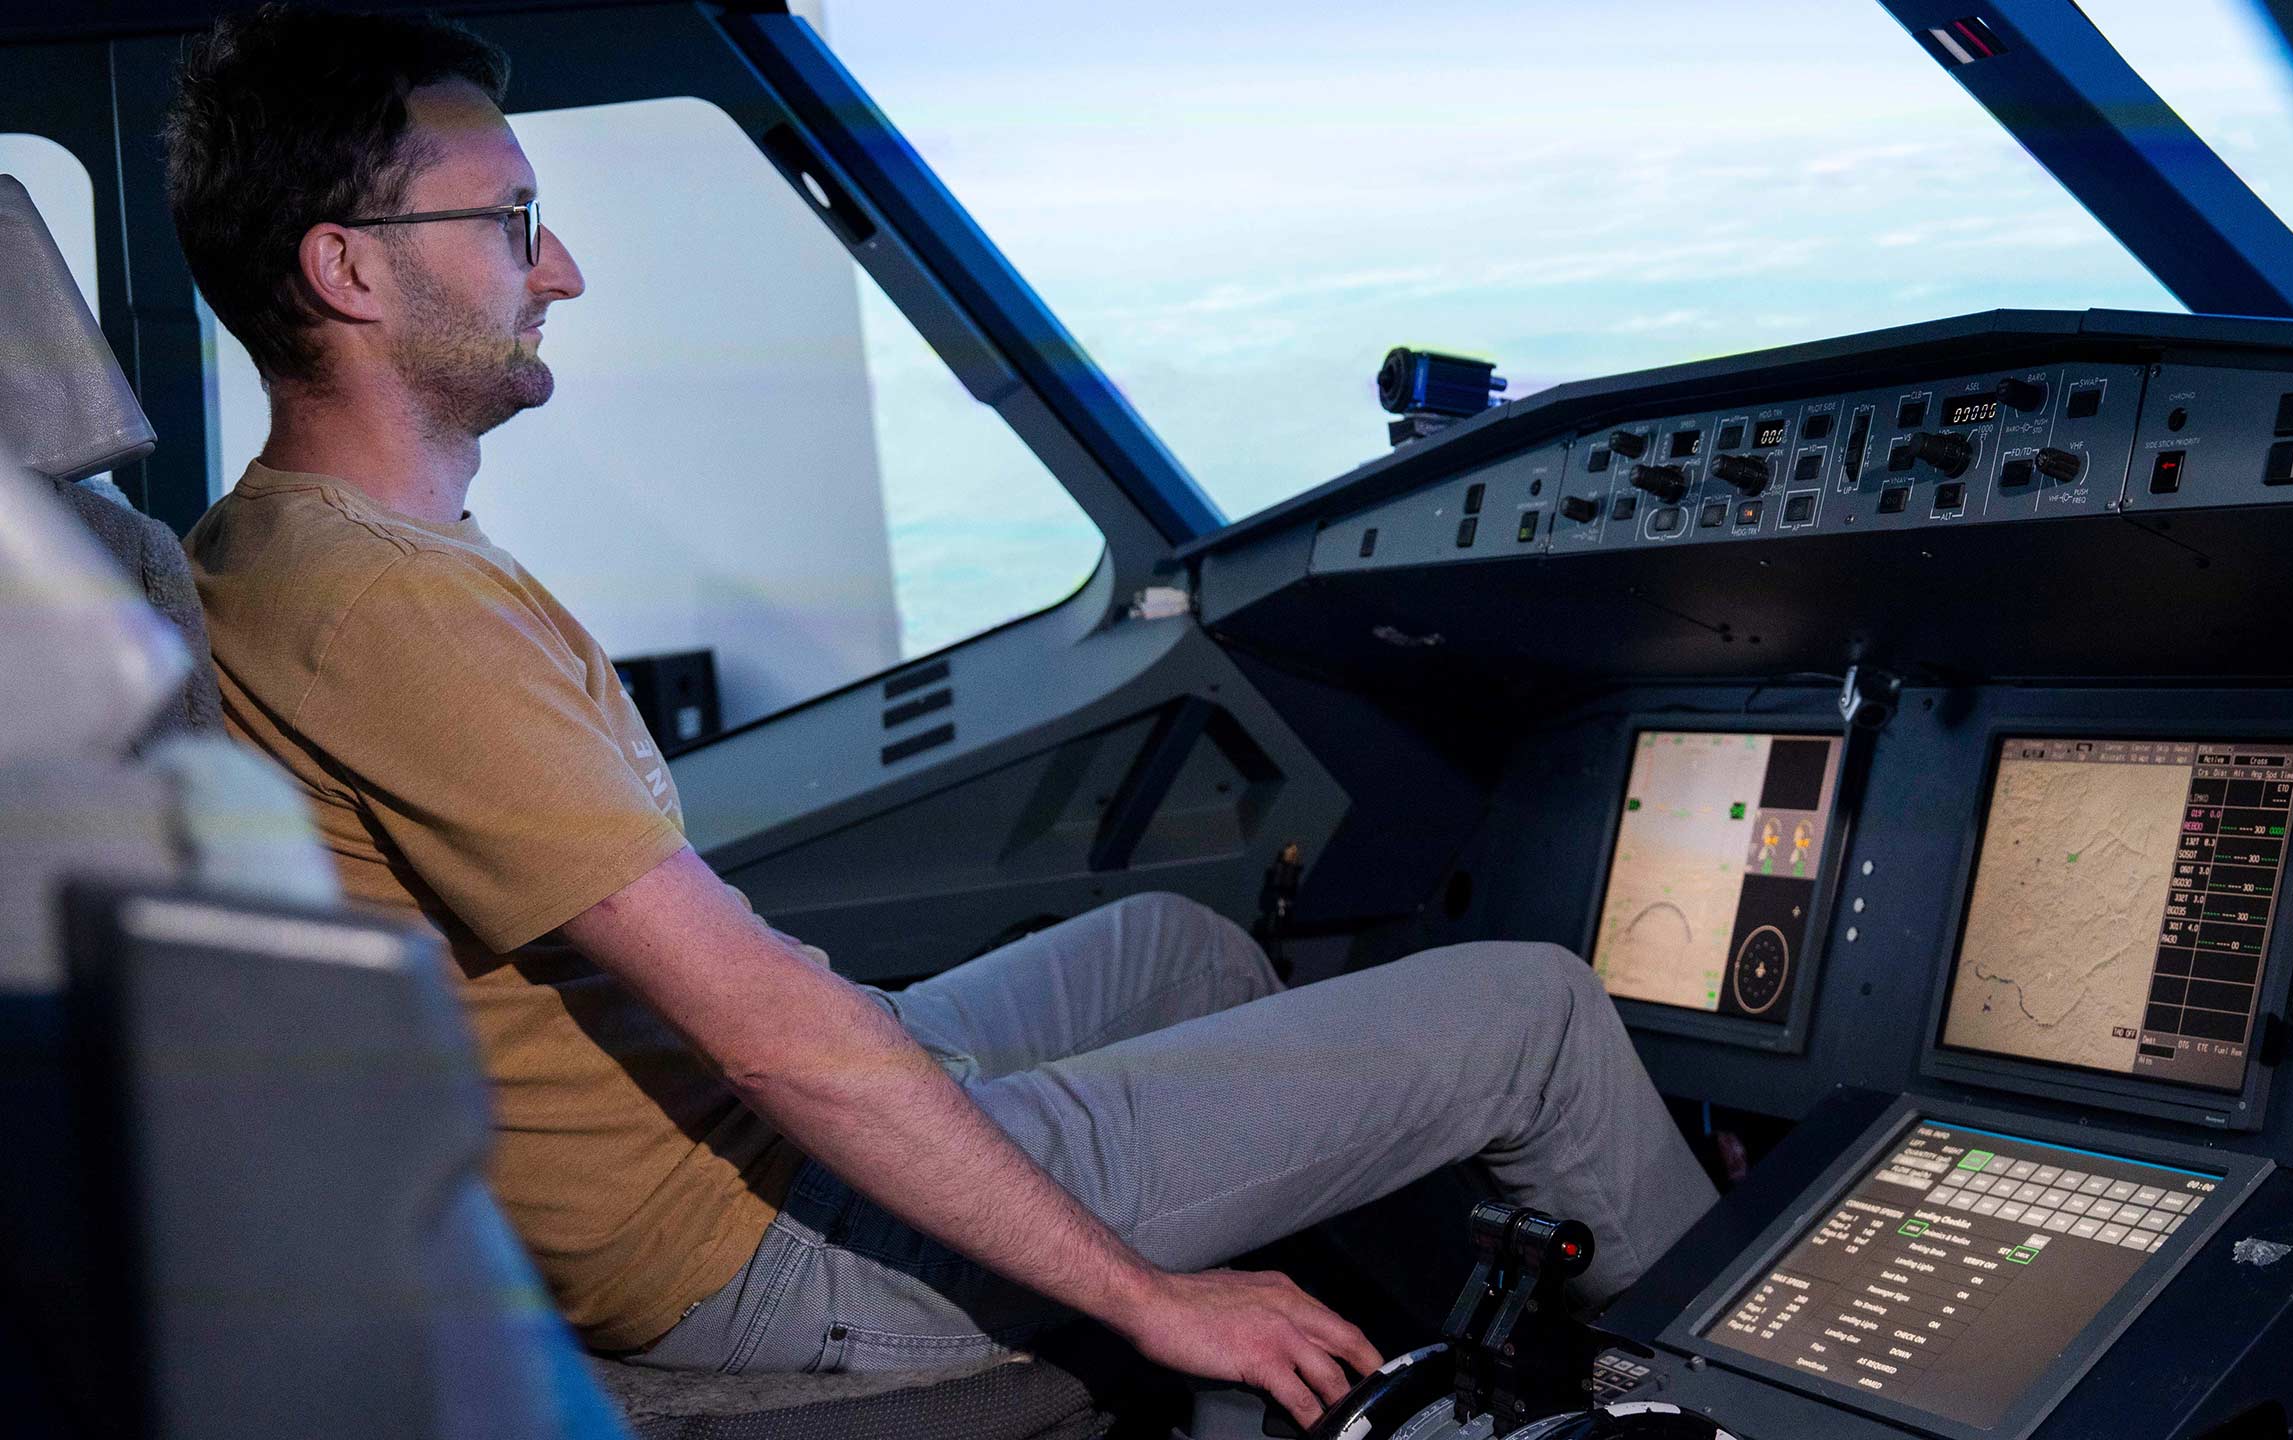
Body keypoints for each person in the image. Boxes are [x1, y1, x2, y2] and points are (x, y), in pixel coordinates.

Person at [166, 5, 1716, 1424]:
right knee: (1532, 1018)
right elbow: (768, 1034)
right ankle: (1715, 1407)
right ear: (347, 271)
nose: (559, 268)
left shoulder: (282, 545)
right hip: (751, 1241)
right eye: (510, 221)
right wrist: (1148, 1296)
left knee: (1177, 949)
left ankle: (1432, 1376)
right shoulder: (388, 607)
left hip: (705, 1156)